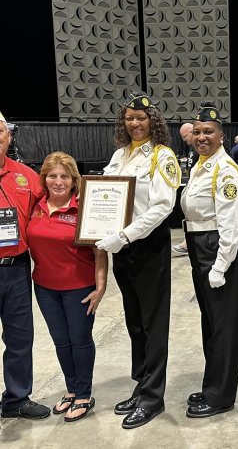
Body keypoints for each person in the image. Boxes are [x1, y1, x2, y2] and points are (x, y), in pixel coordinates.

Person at [96, 91, 181, 429]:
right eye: (129, 118)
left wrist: (123, 236)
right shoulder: (120, 155)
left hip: (146, 247)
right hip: (122, 248)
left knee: (153, 323)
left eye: (141, 118)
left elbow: (163, 208)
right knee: (134, 321)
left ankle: (153, 398)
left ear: (153, 121)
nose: (135, 123)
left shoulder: (163, 156)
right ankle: (141, 384)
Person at [27, 152, 108, 422]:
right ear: (44, 179)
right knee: (61, 341)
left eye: (64, 176)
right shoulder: (36, 205)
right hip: (45, 288)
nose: (58, 181)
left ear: (74, 181)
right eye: (52, 176)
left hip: (79, 289)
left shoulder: (84, 208)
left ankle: (84, 394)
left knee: (80, 341)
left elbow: (100, 252)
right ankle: (72, 389)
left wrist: (100, 287)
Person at [181, 102, 238, 418]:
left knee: (223, 325)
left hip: (219, 250)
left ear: (222, 135)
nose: (201, 136)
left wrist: (221, 265)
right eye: (197, 132)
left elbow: (231, 226)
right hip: (200, 247)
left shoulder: (225, 171)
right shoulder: (200, 166)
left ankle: (221, 396)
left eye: (208, 131)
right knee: (210, 323)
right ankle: (212, 385)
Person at [0, 114, 51, 421]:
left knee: (20, 337)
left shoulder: (25, 176)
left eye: (0, 130)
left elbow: (49, 210)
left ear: (8, 135)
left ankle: (16, 398)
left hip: (16, 268)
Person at [172, 122, 198, 256]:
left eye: (184, 136)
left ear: (190, 132)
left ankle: (187, 243)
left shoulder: (200, 147)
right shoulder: (193, 148)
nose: (184, 140)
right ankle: (187, 241)